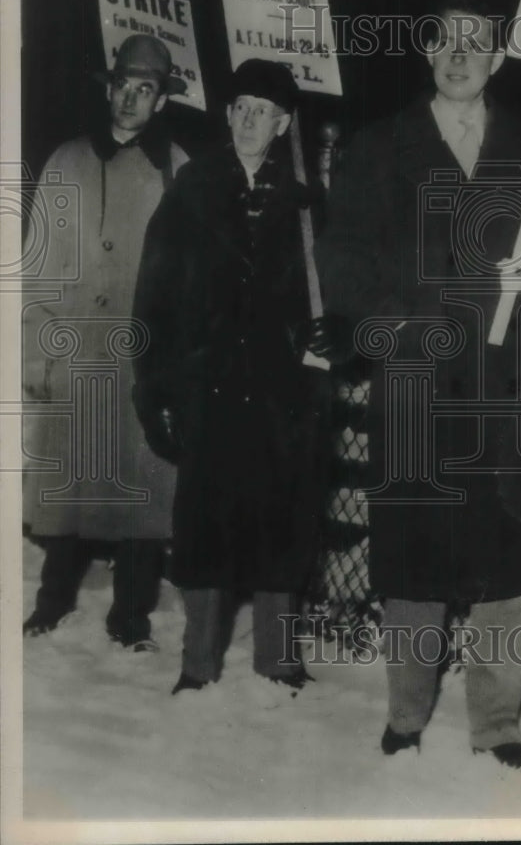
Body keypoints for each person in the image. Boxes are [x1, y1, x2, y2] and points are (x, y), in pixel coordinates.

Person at [316, 0, 521, 766]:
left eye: (475, 44)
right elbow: (342, 262)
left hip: (507, 391)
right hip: (416, 382)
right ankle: (406, 713)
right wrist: (396, 318)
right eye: (444, 41)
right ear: (428, 53)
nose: (459, 54)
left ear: (497, 60)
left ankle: (496, 722)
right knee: (413, 555)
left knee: (505, 557)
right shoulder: (379, 148)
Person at [132, 58, 337, 695]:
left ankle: (277, 659)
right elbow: (153, 299)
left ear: (283, 124)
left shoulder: (309, 204)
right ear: (228, 115)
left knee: (284, 517)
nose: (250, 120)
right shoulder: (191, 189)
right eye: (241, 107)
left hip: (284, 390)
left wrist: (339, 331)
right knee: (204, 521)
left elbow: (337, 291)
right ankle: (198, 663)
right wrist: (155, 388)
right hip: (207, 384)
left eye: (263, 112)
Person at [23, 35, 189, 649]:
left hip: (138, 355)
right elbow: (37, 264)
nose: (131, 98)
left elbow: (189, 275)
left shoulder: (176, 168)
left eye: (145, 89)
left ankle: (131, 616)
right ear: (109, 87)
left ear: (160, 101)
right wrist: (37, 344)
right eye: (123, 84)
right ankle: (51, 600)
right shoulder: (66, 160)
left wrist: (173, 363)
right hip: (73, 349)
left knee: (141, 487)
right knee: (66, 481)